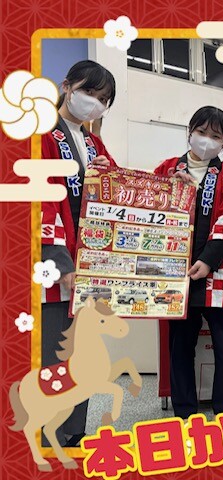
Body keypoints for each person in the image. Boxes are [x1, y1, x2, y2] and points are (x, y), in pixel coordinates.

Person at [154, 106, 223, 418]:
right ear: (190, 132)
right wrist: (172, 190)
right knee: (179, 345)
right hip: (176, 272)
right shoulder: (167, 168)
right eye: (201, 132)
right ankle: (184, 409)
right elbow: (147, 208)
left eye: (215, 136)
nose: (206, 140)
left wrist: (208, 260)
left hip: (220, 272)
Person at [40, 60, 117, 446]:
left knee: (84, 355)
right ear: (67, 86)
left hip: (90, 264)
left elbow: (118, 195)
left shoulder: (92, 143)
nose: (94, 103)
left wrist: (107, 173)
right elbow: (40, 200)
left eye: (103, 99)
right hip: (55, 264)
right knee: (53, 353)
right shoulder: (41, 133)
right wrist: (60, 260)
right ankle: (47, 434)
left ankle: (73, 433)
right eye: (89, 92)